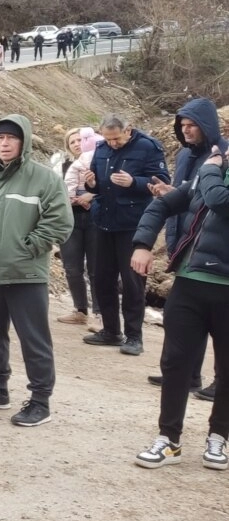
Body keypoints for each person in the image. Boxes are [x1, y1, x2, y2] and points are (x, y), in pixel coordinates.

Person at [0, 115, 74, 428]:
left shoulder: (45, 179)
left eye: (11, 138)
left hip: (26, 275)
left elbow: (60, 221)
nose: (4, 143)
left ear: (24, 141)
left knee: (34, 340)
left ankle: (40, 400)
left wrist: (29, 248)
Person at [130, 140, 229, 469]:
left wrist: (210, 169)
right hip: (189, 284)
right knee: (175, 363)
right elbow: (161, 206)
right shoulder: (208, 175)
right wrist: (143, 243)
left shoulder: (210, 175)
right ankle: (168, 439)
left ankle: (219, 437)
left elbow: (219, 200)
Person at [144, 99, 224, 396]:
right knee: (187, 319)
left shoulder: (221, 156)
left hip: (213, 250)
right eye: (182, 126)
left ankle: (220, 380)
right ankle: (187, 375)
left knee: (216, 322)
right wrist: (169, 193)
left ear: (207, 126)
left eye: (192, 126)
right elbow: (190, 196)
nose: (186, 131)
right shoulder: (185, 155)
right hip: (185, 241)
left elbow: (215, 201)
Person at [83, 114, 168, 356]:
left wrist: (134, 182)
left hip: (133, 225)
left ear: (128, 130)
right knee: (101, 278)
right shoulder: (101, 148)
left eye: (116, 139)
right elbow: (97, 185)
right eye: (108, 139)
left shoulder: (148, 147)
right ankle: (110, 331)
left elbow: (162, 182)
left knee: (132, 283)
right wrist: (91, 183)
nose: (112, 144)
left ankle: (134, 336)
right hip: (103, 221)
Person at [53, 128, 99, 329]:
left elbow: (109, 189)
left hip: (95, 220)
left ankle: (99, 313)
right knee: (72, 267)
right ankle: (80, 310)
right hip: (70, 221)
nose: (77, 144)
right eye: (72, 142)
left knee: (97, 268)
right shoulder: (62, 168)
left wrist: (93, 195)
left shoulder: (100, 161)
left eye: (80, 140)